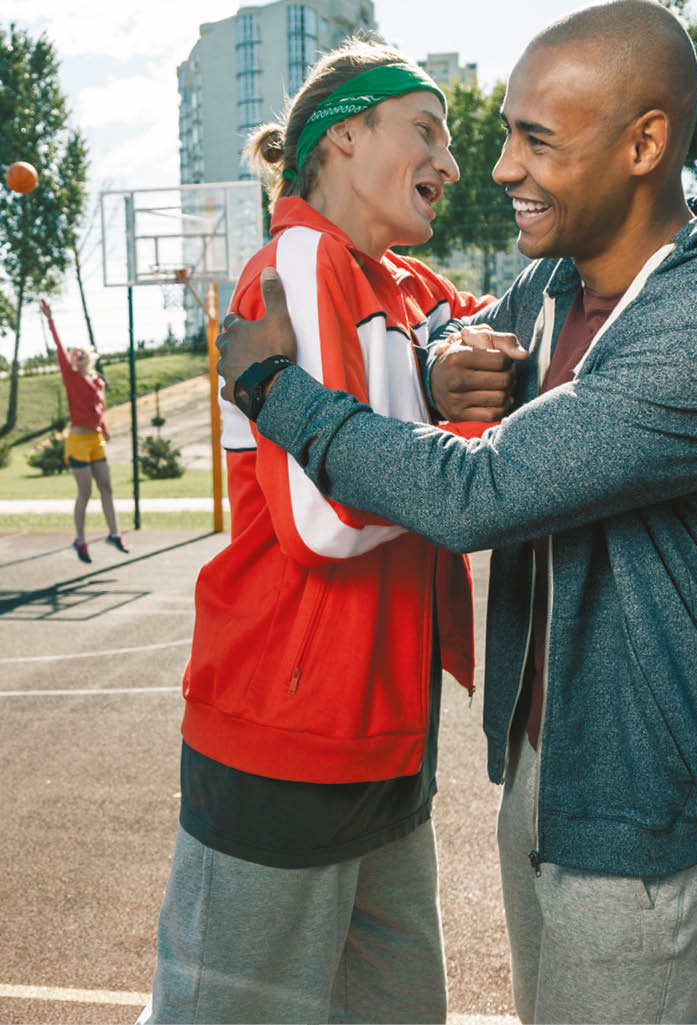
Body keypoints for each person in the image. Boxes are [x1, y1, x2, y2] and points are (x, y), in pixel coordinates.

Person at [215, 2, 697, 1023]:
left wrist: (274, 386)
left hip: (642, 797)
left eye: (535, 139)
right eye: (501, 133)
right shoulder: (554, 280)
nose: (497, 168)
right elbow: (447, 333)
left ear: (644, 142)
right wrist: (441, 357)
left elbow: (473, 492)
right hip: (545, 760)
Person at [143, 39, 496, 1025]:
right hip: (283, 738)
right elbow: (320, 519)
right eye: (426, 129)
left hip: (387, 739)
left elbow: (512, 337)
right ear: (347, 133)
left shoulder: (406, 285)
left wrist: (458, 373)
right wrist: (446, 416)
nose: (452, 161)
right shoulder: (297, 264)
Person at [39, 300, 128, 563]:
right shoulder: (71, 377)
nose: (76, 357)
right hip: (77, 440)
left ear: (88, 356)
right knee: (85, 492)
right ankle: (80, 540)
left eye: (80, 354)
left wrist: (104, 429)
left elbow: (99, 408)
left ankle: (114, 533)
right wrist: (50, 319)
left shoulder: (98, 379)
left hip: (95, 439)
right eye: (72, 354)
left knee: (107, 488)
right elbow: (57, 346)